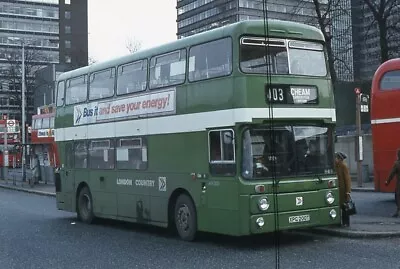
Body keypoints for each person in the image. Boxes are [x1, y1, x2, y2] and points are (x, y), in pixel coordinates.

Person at [335, 151, 351, 227]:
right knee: (339, 207)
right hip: (338, 190)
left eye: (336, 158)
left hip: (343, 191)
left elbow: (347, 180)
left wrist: (348, 192)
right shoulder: (336, 166)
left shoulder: (343, 166)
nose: (335, 159)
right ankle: (338, 222)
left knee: (344, 207)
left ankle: (346, 223)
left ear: (340, 158)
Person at [385, 149, 400, 217]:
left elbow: (392, 174)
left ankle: (397, 212)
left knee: (398, 197)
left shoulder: (397, 164)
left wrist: (387, 182)